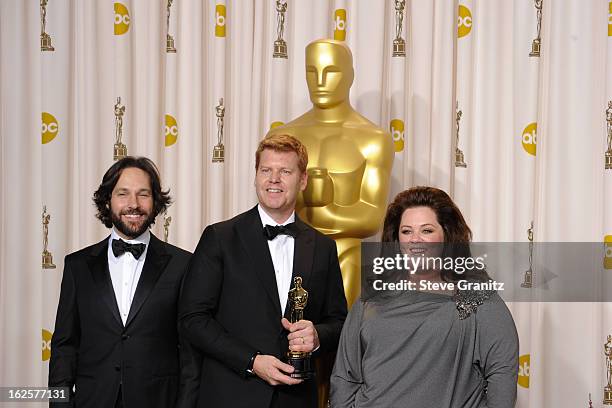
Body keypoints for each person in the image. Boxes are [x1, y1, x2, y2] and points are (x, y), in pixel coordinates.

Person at [179, 134, 348, 408]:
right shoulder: (220, 238)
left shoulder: (323, 247)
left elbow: (340, 323)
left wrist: (317, 336)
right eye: (266, 170)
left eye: (285, 171)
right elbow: (193, 319)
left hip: (295, 399)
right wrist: (252, 361)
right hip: (229, 395)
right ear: (256, 176)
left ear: (302, 180)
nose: (274, 179)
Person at [330, 186, 519, 408]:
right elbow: (345, 374)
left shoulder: (476, 295)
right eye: (406, 231)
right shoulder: (373, 296)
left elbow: (502, 376)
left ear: (447, 235)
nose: (415, 240)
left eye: (427, 231)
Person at [49, 157, 198, 408]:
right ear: (107, 201)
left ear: (155, 202)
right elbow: (65, 347)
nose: (133, 204)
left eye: (143, 194)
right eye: (123, 194)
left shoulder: (183, 265)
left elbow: (190, 355)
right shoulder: (77, 266)